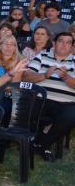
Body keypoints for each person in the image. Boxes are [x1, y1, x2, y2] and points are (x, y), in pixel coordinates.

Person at [23, 31, 75, 161]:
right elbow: (26, 76)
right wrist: (44, 75)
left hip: (66, 103)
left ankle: (41, 143)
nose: (64, 45)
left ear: (72, 46)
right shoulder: (42, 56)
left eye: (68, 42)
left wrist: (66, 77)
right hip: (41, 99)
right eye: (61, 41)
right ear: (54, 43)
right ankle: (35, 142)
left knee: (71, 115)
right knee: (27, 106)